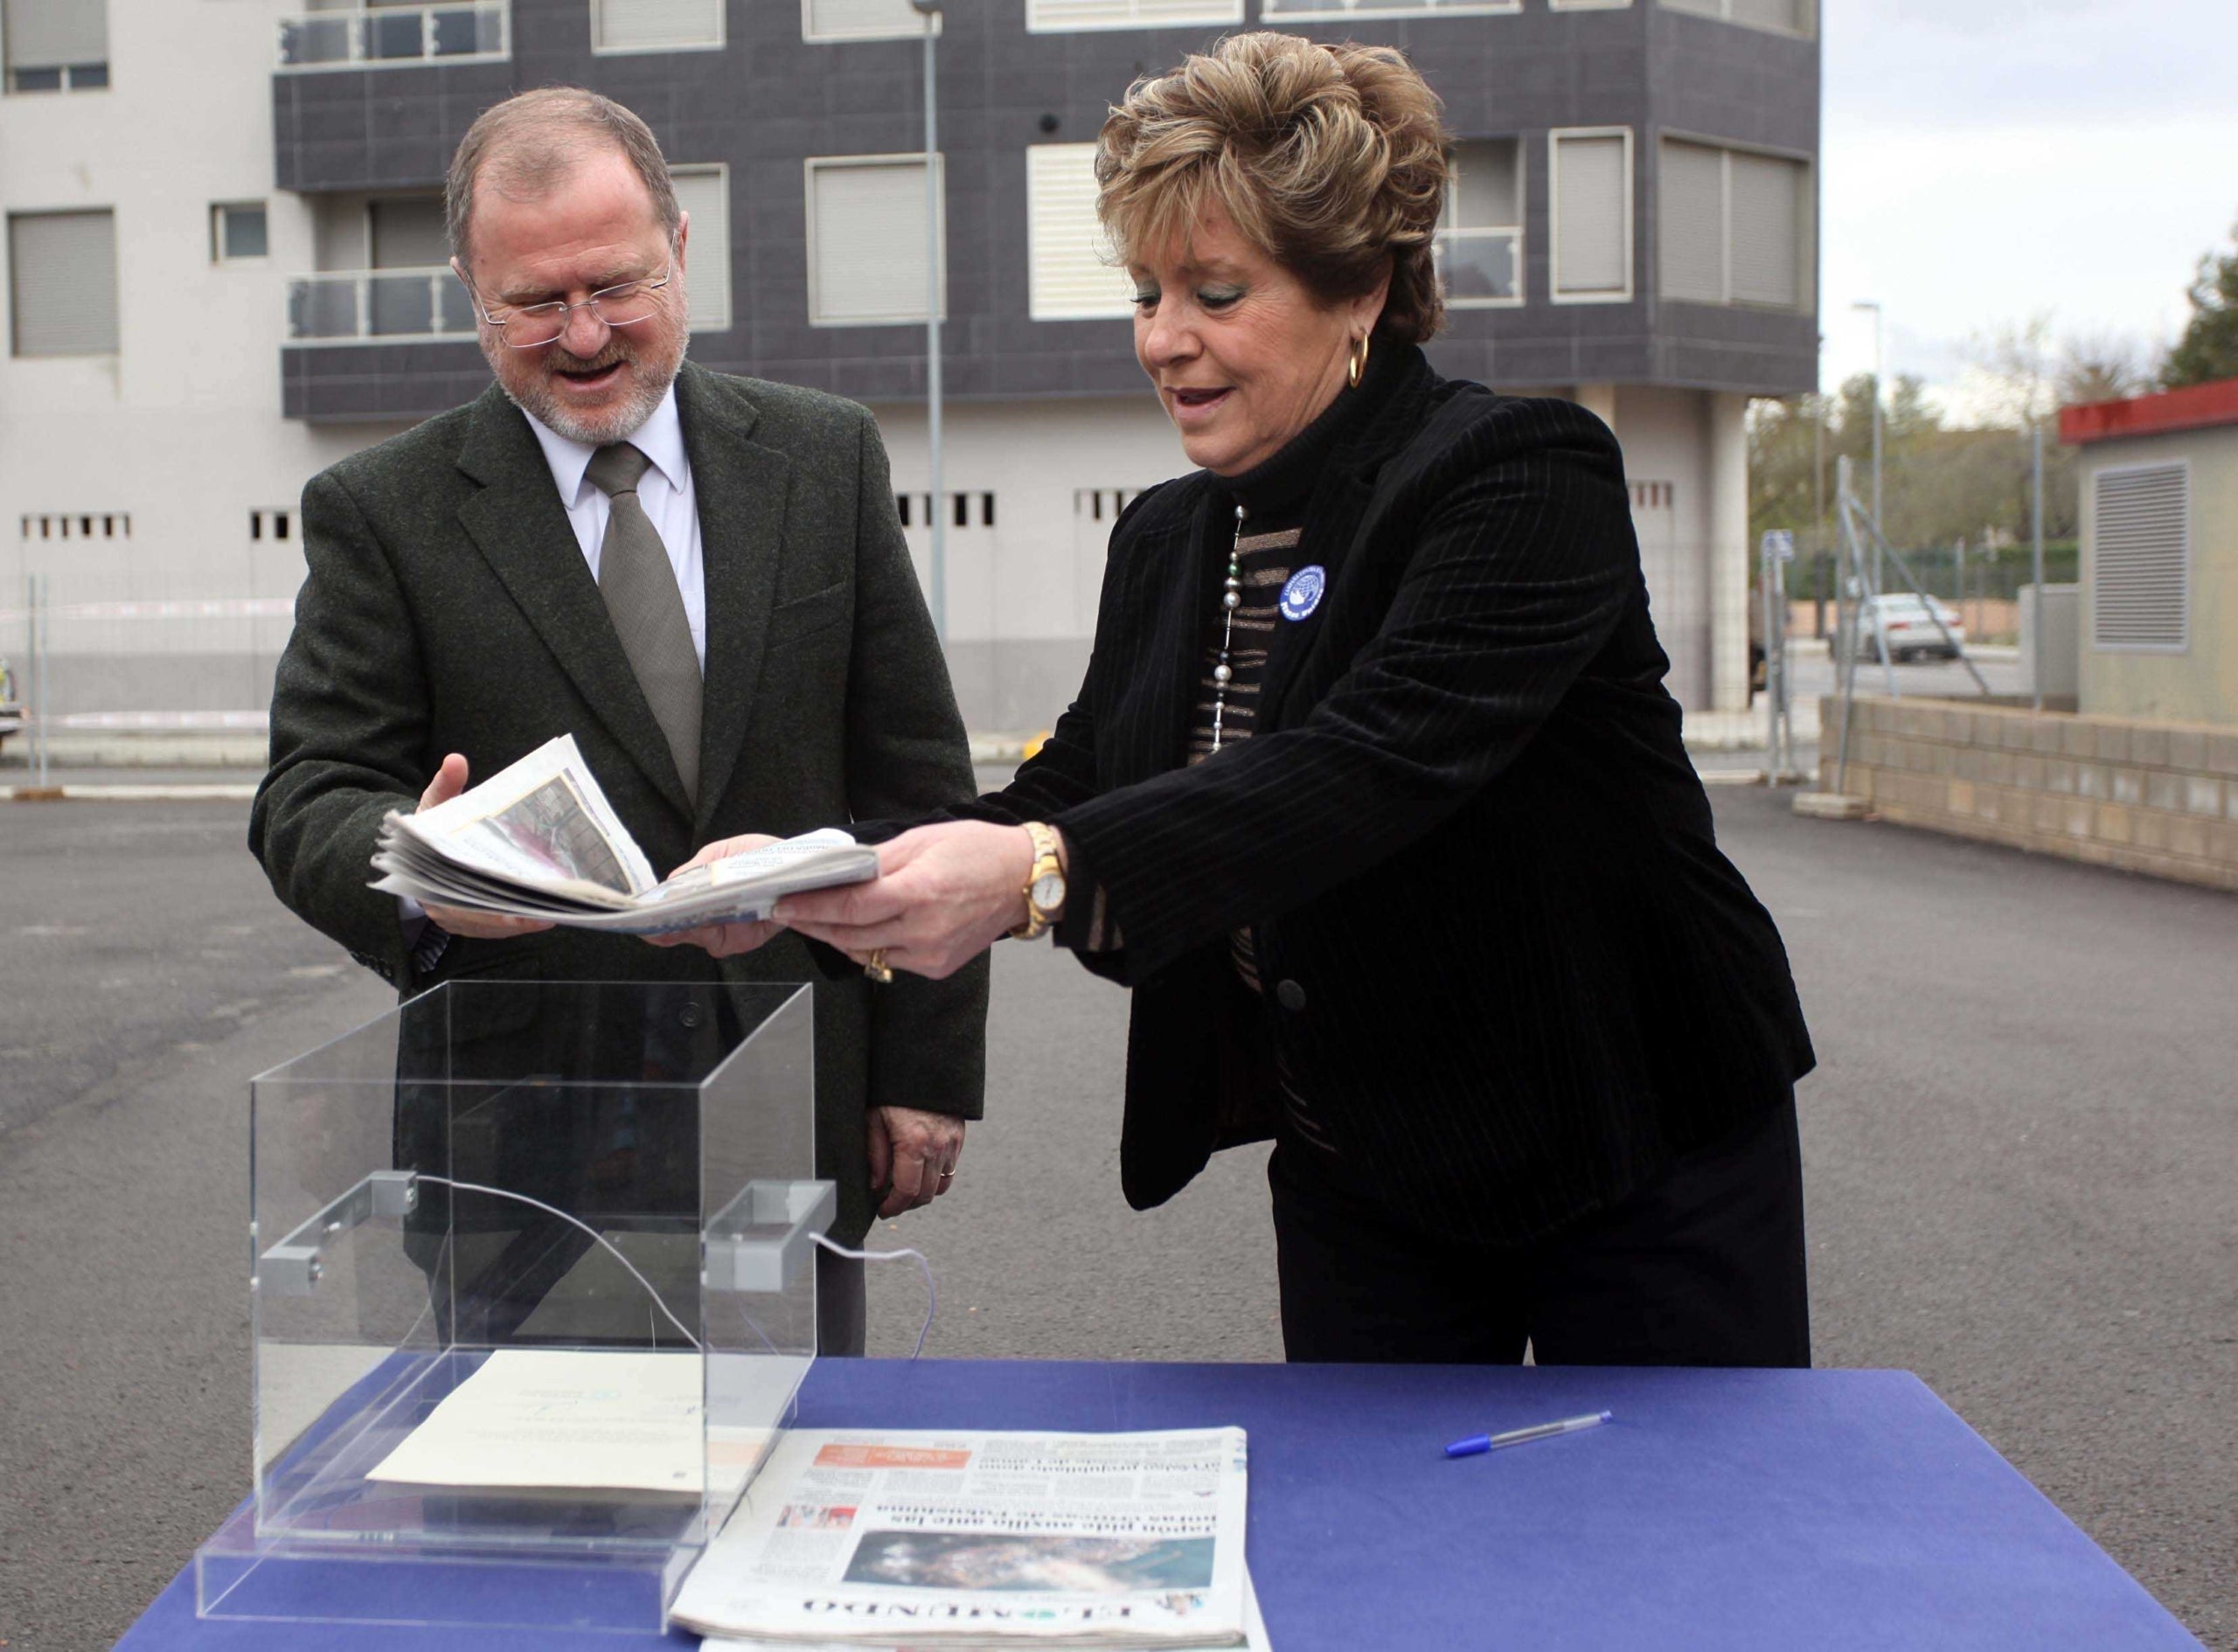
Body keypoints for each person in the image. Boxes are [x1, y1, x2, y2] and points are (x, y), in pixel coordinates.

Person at [678, 33, 1817, 1368]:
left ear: (1363, 291)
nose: (1164, 339)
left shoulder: (1518, 476)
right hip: (1363, 1161)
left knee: (1664, 1503)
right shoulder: (1170, 536)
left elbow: (1364, 766)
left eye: (1216, 292)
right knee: (1370, 1502)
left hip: (1630, 1144)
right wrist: (819, 873)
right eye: (1147, 292)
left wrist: (1039, 875)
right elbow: (1080, 780)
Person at [248, 87, 987, 1355]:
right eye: (535, 301)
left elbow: (918, 782)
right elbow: (306, 792)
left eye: (616, 285)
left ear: (680, 249)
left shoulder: (826, 460)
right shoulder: (383, 512)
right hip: (521, 1161)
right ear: (472, 295)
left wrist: (923, 1073)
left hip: (794, 1112)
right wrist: (422, 865)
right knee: (539, 1481)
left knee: (796, 1466)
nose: (585, 334)